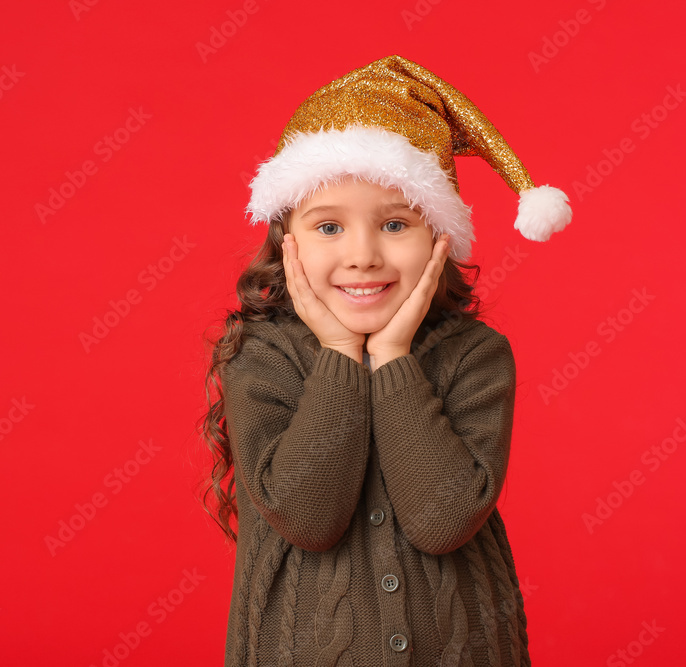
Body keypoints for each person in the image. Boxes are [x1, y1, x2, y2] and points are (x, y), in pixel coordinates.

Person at [200, 54, 572, 667]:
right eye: (328, 228)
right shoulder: (261, 355)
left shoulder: (475, 356)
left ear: (439, 238)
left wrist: (393, 356)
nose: (363, 255)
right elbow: (308, 517)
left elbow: (441, 520)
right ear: (285, 240)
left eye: (396, 223)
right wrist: (343, 354)